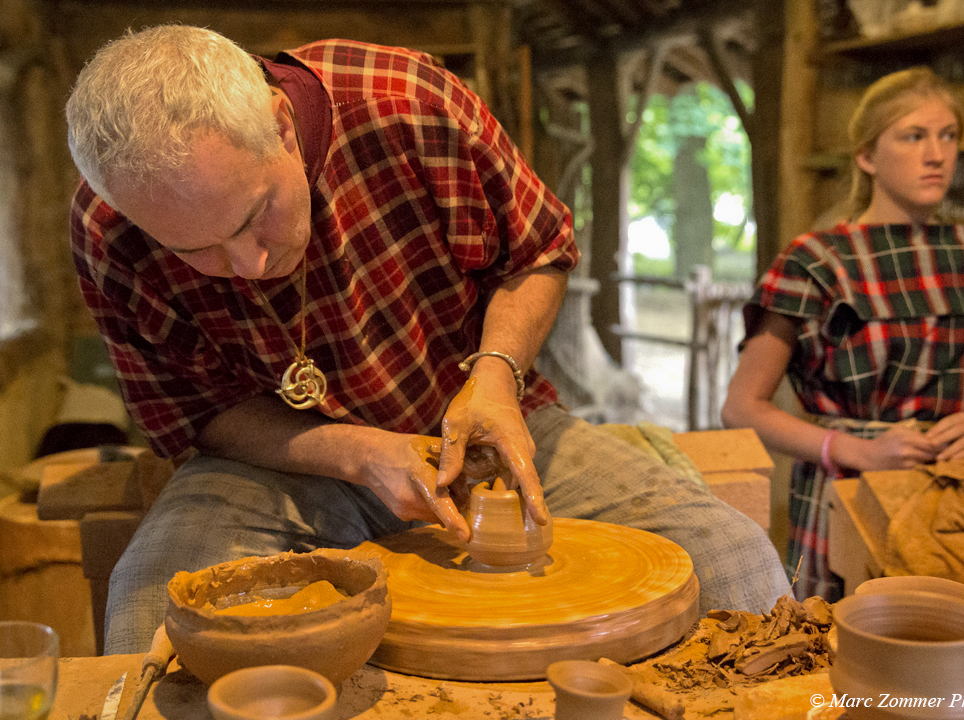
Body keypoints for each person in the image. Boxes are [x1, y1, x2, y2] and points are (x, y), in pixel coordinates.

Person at [66, 25, 788, 653]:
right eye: (196, 250)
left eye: (256, 214)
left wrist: (497, 376)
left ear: (282, 126)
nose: (248, 266)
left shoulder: (405, 103)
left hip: (484, 416)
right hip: (288, 459)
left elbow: (538, 251)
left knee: (730, 556)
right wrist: (356, 450)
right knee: (152, 600)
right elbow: (198, 412)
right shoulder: (109, 231)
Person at [721, 67, 964, 602]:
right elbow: (742, 407)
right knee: (842, 661)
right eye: (913, 136)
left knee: (961, 656)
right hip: (850, 493)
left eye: (948, 136)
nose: (936, 154)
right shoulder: (817, 261)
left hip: (960, 502)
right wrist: (857, 450)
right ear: (867, 156)